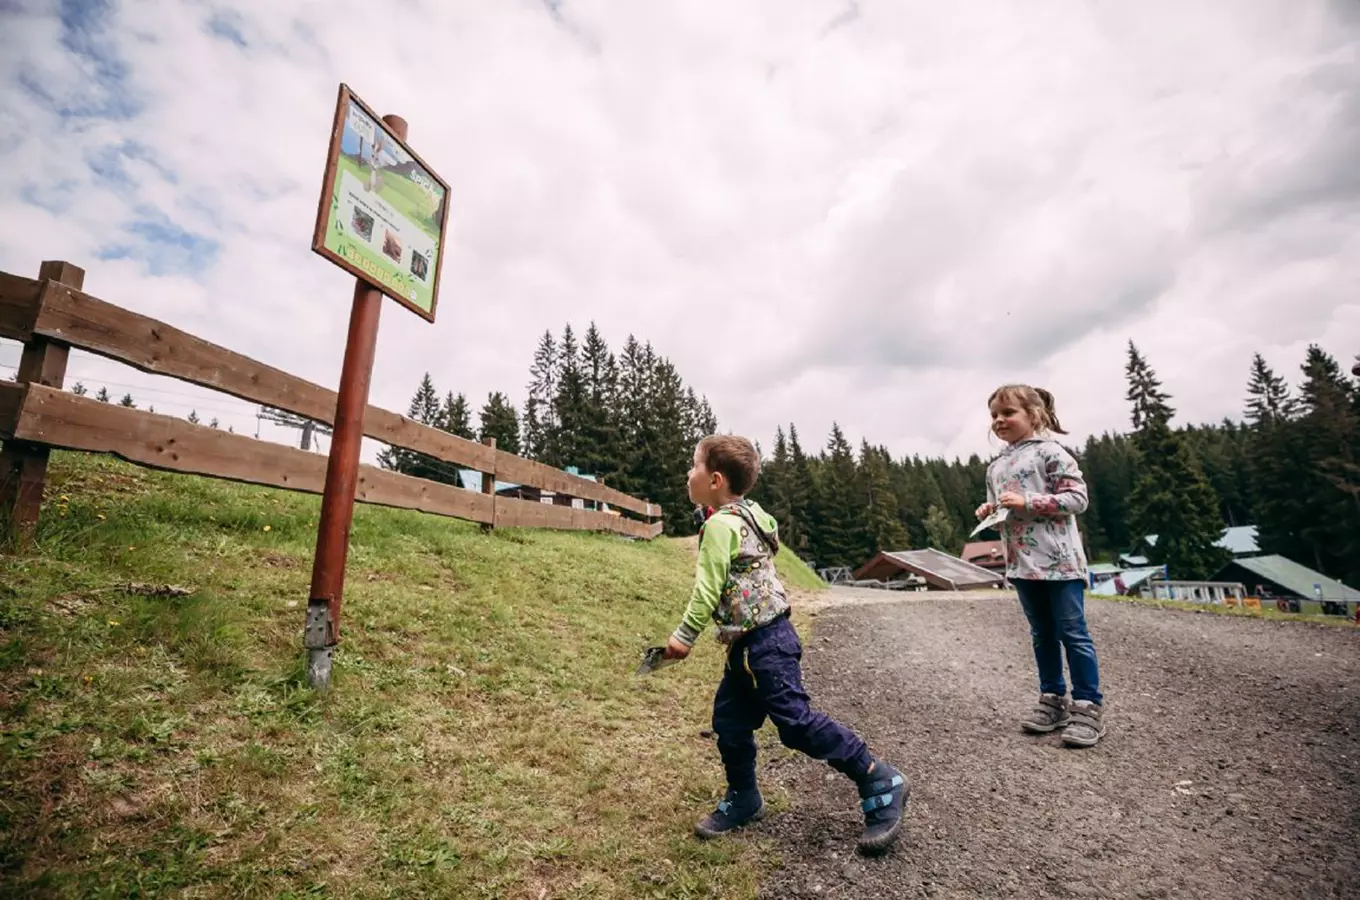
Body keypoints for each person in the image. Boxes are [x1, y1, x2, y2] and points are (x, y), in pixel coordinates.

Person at [663, 435, 908, 854]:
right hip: (750, 645)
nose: (689, 473)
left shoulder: (721, 526)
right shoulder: (749, 515)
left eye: (694, 466)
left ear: (716, 478)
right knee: (730, 724)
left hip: (765, 645)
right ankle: (745, 798)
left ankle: (878, 777)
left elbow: (707, 590)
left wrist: (683, 638)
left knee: (796, 724)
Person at [975, 385, 1106, 748]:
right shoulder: (996, 466)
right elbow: (1005, 511)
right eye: (994, 416)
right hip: (1021, 565)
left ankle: (1087, 706)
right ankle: (1053, 700)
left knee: (1073, 633)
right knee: (1041, 635)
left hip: (1060, 563)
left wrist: (1028, 500)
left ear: (1034, 415)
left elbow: (1077, 499)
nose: (999, 421)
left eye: (1008, 413)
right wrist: (991, 512)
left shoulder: (1052, 453)